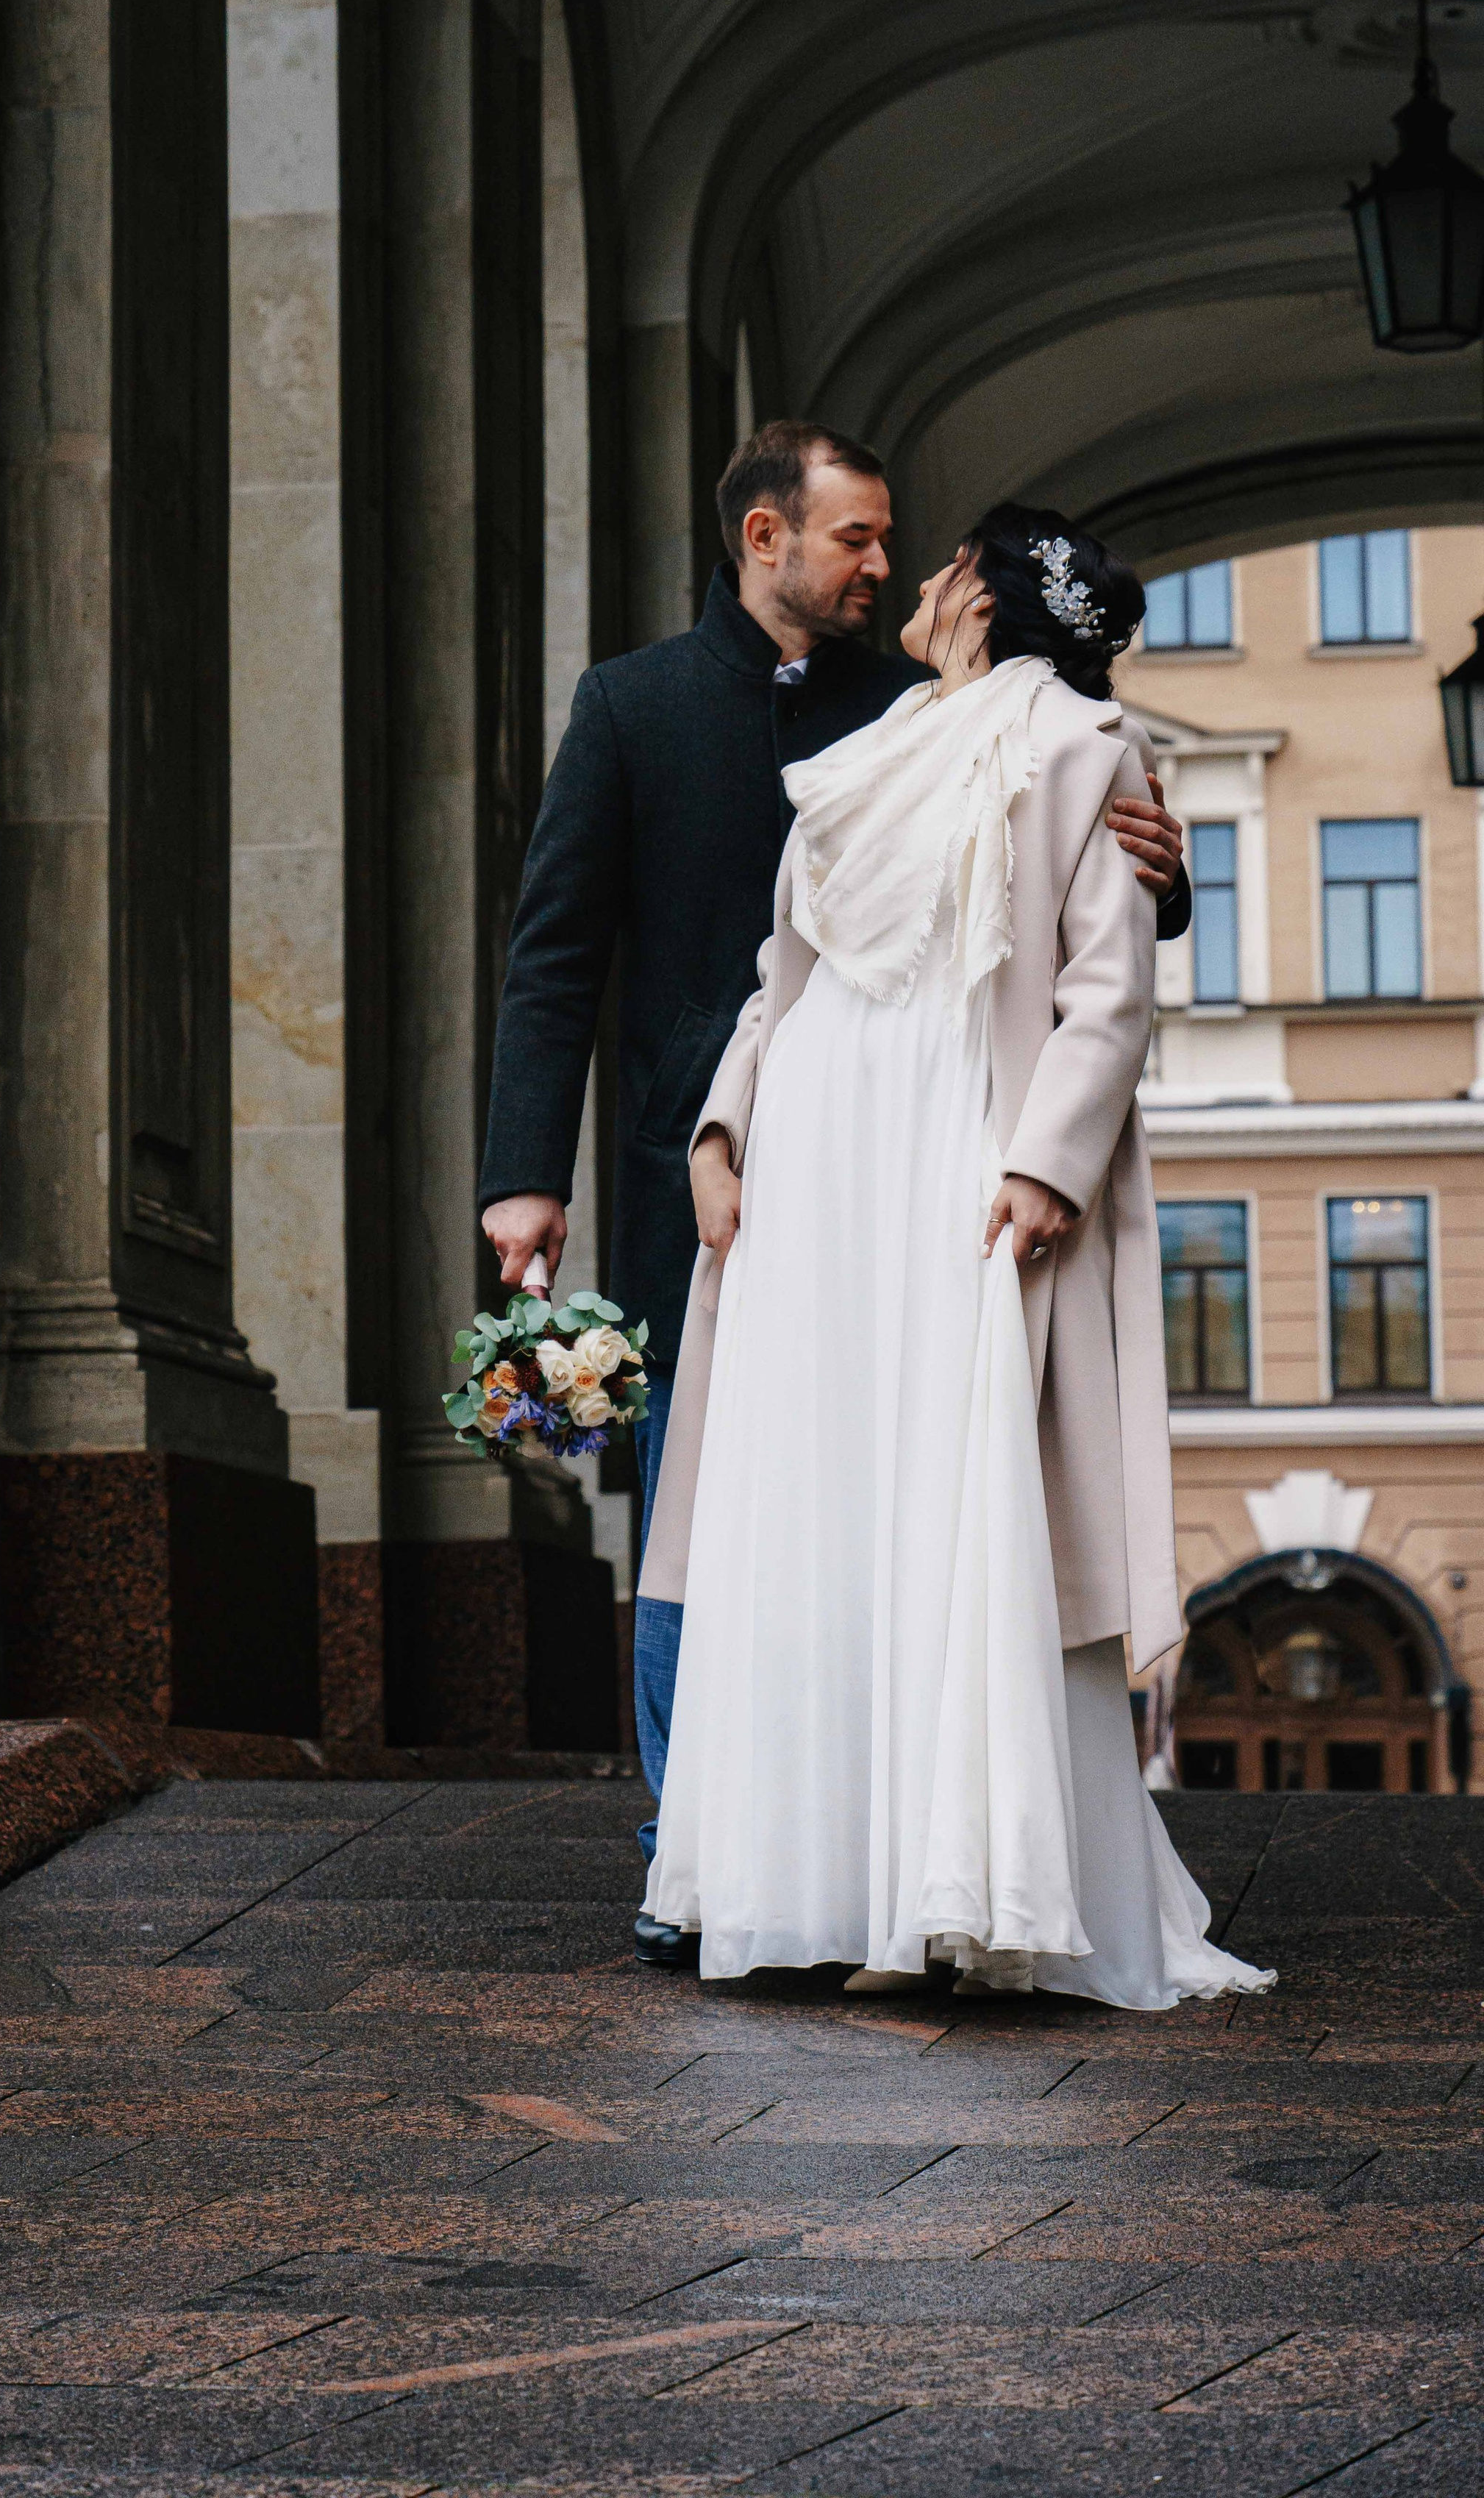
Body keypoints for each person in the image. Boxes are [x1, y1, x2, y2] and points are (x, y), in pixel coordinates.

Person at [477, 424, 1191, 1960]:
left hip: (918, 1172)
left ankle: (868, 1841)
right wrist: (525, 1176)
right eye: (855, 537)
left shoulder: (928, 700)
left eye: (892, 543)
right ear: (764, 537)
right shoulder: (631, 706)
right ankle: (698, 1846)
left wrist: (1163, 871)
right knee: (705, 1513)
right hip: (711, 1174)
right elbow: (554, 953)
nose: (883, 564)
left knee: (873, 1505)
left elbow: (1069, 895)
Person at [638, 506, 1273, 2008]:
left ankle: (959, 1888)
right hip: (814, 1179)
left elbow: (1109, 989)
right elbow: (781, 975)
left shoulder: (1084, 745)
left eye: (941, 565)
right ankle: (812, 1884)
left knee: (955, 1498)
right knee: (820, 1504)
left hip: (953, 1160)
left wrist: (1045, 1161)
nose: (915, 583)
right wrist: (721, 1130)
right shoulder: (870, 745)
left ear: (981, 593)